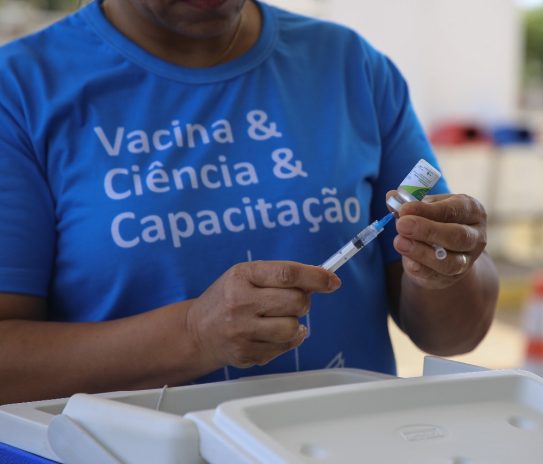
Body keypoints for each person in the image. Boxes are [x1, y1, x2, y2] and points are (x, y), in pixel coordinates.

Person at [0, 0, 499, 405]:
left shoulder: (349, 66)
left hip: (342, 442)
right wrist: (193, 335)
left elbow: (454, 335)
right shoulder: (22, 92)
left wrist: (446, 268)